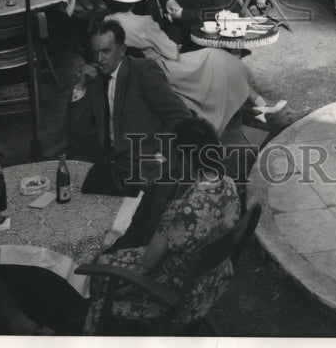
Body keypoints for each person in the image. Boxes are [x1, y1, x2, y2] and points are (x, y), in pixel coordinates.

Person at [82, 117, 241, 334]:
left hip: (177, 296)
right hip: (213, 280)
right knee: (111, 259)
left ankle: (103, 325)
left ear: (185, 160)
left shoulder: (183, 209)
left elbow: (149, 262)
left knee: (101, 267)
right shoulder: (229, 184)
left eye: (172, 156)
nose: (170, 162)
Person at [100, 0, 276, 134]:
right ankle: (256, 103)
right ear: (135, 1)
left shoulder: (108, 22)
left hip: (139, 67)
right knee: (218, 57)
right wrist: (175, 44)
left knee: (216, 58)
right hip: (164, 68)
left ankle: (258, 102)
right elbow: (171, 51)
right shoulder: (143, 23)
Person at [65, 22, 192, 194]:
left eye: (106, 51)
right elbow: (76, 129)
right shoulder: (95, 79)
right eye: (96, 53)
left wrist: (158, 157)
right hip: (112, 166)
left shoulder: (143, 71)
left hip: (143, 167)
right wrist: (80, 87)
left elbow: (181, 117)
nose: (100, 59)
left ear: (123, 50)